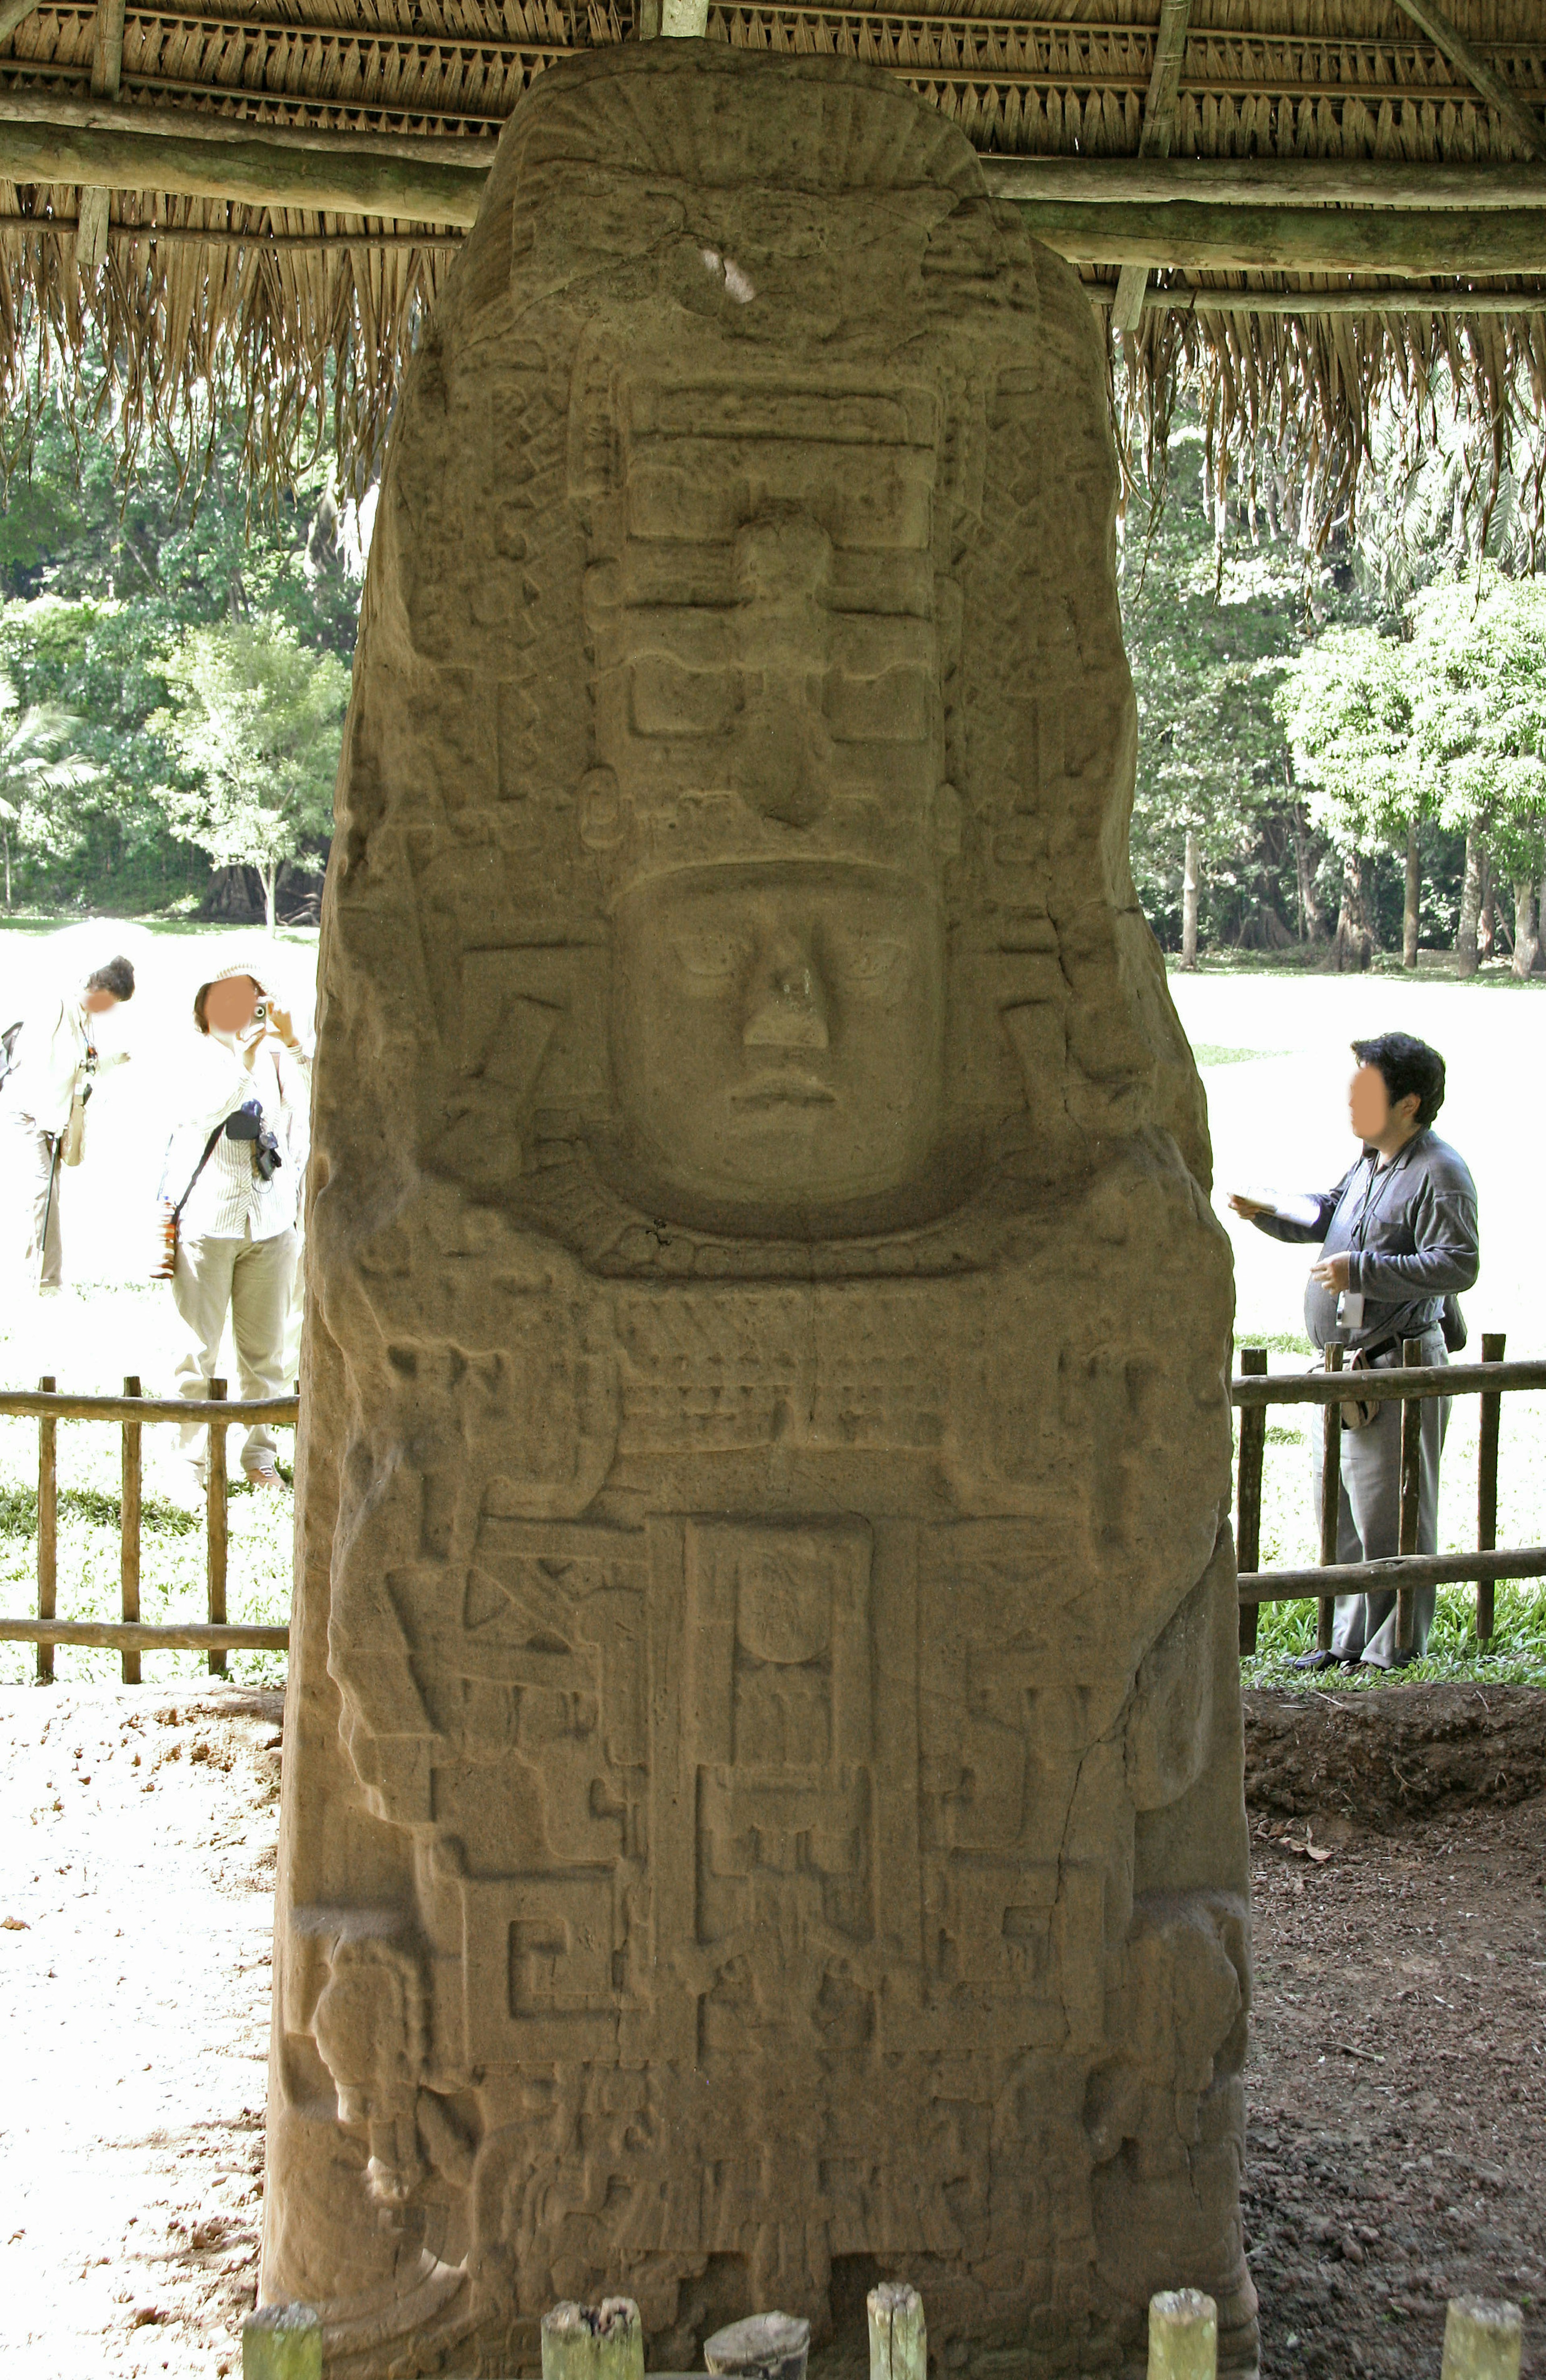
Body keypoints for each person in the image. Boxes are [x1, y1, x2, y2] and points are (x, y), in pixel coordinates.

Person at [1230, 1033, 1479, 1670]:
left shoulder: (1441, 1171)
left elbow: (1457, 1262)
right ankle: (1344, 1641)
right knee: (1341, 1511)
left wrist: (1364, 1270)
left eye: (1366, 1087)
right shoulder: (1370, 1161)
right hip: (1348, 1367)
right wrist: (1272, 1211)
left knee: (1393, 1512)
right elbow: (1331, 1212)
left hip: (1396, 1363)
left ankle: (1392, 1648)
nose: (1351, 1098)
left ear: (1408, 1104)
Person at [161, 958, 311, 1494]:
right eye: (224, 996)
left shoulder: (275, 1057)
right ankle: (187, 1464)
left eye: (250, 996)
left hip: (271, 1225)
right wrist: (243, 1065)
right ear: (204, 1006)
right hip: (208, 1221)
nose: (239, 1006)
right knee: (195, 1352)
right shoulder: (191, 1056)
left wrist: (293, 1044)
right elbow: (195, 1116)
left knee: (266, 1354)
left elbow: (323, 1097)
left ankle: (259, 1456)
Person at [5, 954, 136, 1289]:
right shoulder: (56, 1008)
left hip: (57, 1118)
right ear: (96, 987)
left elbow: (84, 1068)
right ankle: (45, 1282)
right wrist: (50, 1118)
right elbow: (29, 1065)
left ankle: (37, 1274)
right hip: (29, 1113)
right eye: (110, 999)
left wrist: (112, 1061)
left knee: (48, 1197)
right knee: (43, 1194)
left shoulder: (85, 1019)